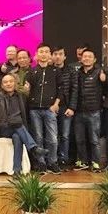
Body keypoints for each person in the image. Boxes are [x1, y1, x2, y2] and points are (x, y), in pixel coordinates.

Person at [0, 74, 47, 176]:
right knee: (17, 125)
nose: (8, 84)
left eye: (11, 81)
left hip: (17, 129)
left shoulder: (21, 96)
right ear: (2, 85)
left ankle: (17, 170)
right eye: (5, 82)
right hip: (3, 128)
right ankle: (33, 148)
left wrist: (27, 91)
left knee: (17, 137)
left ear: (15, 83)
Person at [24, 43, 62, 174]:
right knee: (38, 137)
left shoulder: (55, 71)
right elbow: (27, 90)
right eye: (41, 51)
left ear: (50, 54)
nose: (44, 54)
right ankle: (41, 163)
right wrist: (26, 89)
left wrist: (56, 104)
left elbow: (61, 89)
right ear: (36, 55)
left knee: (53, 138)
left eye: (46, 51)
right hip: (34, 109)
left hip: (50, 109)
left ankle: (53, 161)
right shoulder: (31, 71)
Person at [74, 49, 103, 172]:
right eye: (84, 56)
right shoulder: (77, 73)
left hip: (94, 111)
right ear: (81, 59)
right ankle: (83, 161)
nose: (86, 58)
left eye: (89, 56)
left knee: (94, 140)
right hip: (79, 111)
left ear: (94, 59)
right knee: (79, 139)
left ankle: (96, 163)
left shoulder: (99, 72)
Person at [52, 46, 78, 169]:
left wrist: (72, 107)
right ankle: (53, 160)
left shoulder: (71, 71)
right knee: (52, 135)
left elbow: (75, 90)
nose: (58, 56)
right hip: (51, 107)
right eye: (55, 54)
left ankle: (63, 159)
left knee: (65, 135)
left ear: (65, 56)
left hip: (66, 106)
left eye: (60, 54)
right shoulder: (49, 70)